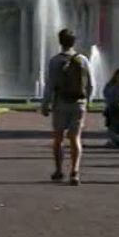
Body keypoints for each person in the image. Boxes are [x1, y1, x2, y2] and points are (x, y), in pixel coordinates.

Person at [41, 29, 93, 186]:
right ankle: (75, 170)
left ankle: (58, 170)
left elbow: (50, 85)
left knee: (58, 138)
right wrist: (87, 101)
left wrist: (45, 103)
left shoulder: (55, 61)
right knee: (75, 138)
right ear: (74, 42)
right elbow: (91, 84)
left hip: (61, 102)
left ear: (60, 41)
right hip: (79, 103)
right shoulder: (83, 60)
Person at [102, 69, 119, 147]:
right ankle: (114, 140)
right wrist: (110, 101)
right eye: (118, 75)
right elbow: (105, 93)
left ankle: (118, 140)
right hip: (111, 107)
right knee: (111, 125)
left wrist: (118, 102)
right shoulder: (110, 84)